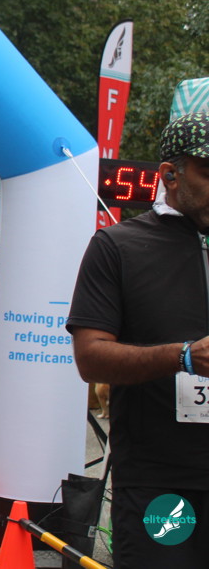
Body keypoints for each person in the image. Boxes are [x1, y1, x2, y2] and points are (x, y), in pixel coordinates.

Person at [67, 112, 209, 567]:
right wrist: (183, 356)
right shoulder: (118, 246)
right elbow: (90, 358)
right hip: (161, 479)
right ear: (170, 174)